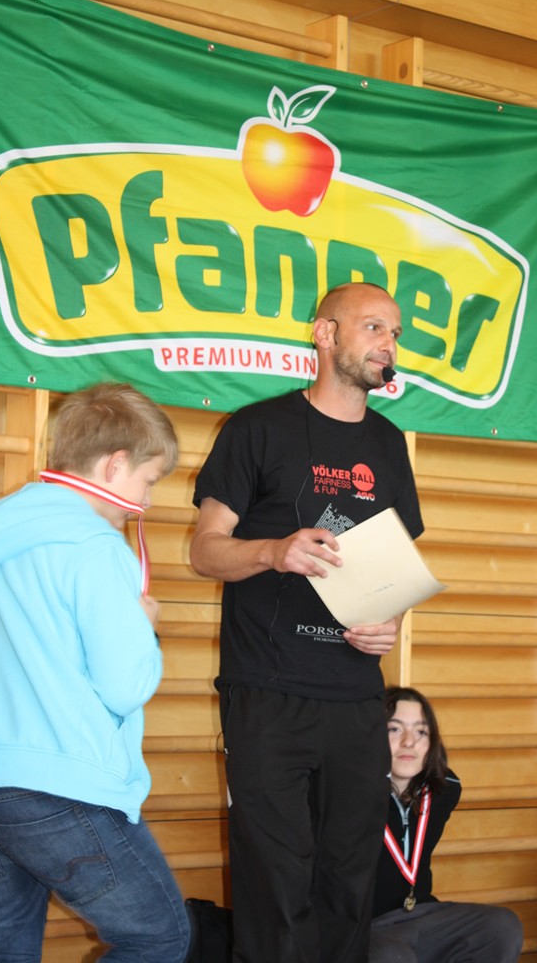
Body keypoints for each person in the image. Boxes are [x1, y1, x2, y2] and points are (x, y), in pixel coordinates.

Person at [189, 282, 424, 963]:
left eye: (395, 333)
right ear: (325, 334)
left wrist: (389, 621)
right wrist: (272, 551)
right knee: (275, 884)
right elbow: (204, 551)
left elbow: (398, 570)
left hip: (355, 698)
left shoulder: (389, 444)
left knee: (349, 884)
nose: (388, 344)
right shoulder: (256, 428)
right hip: (267, 693)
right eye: (374, 327)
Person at [0, 382, 191, 963]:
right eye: (149, 480)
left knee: (0, 953)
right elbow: (124, 687)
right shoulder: (96, 546)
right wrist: (145, 629)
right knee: (160, 936)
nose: (146, 499)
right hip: (60, 784)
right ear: (115, 464)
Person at [371, 686, 523, 962]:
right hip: (366, 924)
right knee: (392, 955)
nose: (408, 742)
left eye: (421, 731)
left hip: (420, 914)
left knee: (501, 926)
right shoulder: (351, 795)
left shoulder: (444, 790)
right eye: (394, 729)